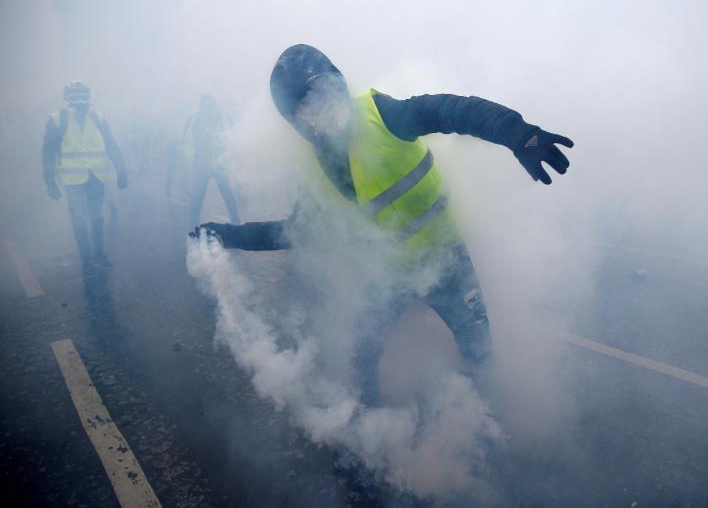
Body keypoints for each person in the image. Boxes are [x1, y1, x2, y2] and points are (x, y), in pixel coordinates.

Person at [191, 44, 573, 406]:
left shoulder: (383, 114)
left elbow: (454, 111)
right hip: (389, 275)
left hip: (448, 261)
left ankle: (488, 434)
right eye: (305, 104)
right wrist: (227, 236)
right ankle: (369, 449)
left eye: (324, 90)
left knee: (478, 349)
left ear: (338, 82)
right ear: (296, 120)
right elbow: (294, 232)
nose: (321, 106)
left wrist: (518, 134)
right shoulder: (317, 171)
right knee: (361, 358)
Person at [42, 81, 128, 276]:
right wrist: (50, 182)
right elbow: (48, 153)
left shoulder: (98, 118)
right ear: (69, 101)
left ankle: (99, 254)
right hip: (73, 180)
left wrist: (122, 170)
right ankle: (87, 260)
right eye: (77, 103)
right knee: (79, 219)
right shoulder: (57, 120)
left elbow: (111, 144)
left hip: (97, 176)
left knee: (97, 219)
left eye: (84, 102)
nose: (82, 107)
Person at [184, 94, 240, 228]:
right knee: (205, 195)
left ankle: (235, 220)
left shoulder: (219, 118)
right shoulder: (195, 119)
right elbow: (188, 141)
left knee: (218, 194)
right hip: (205, 163)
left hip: (212, 163)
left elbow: (228, 138)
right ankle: (235, 220)